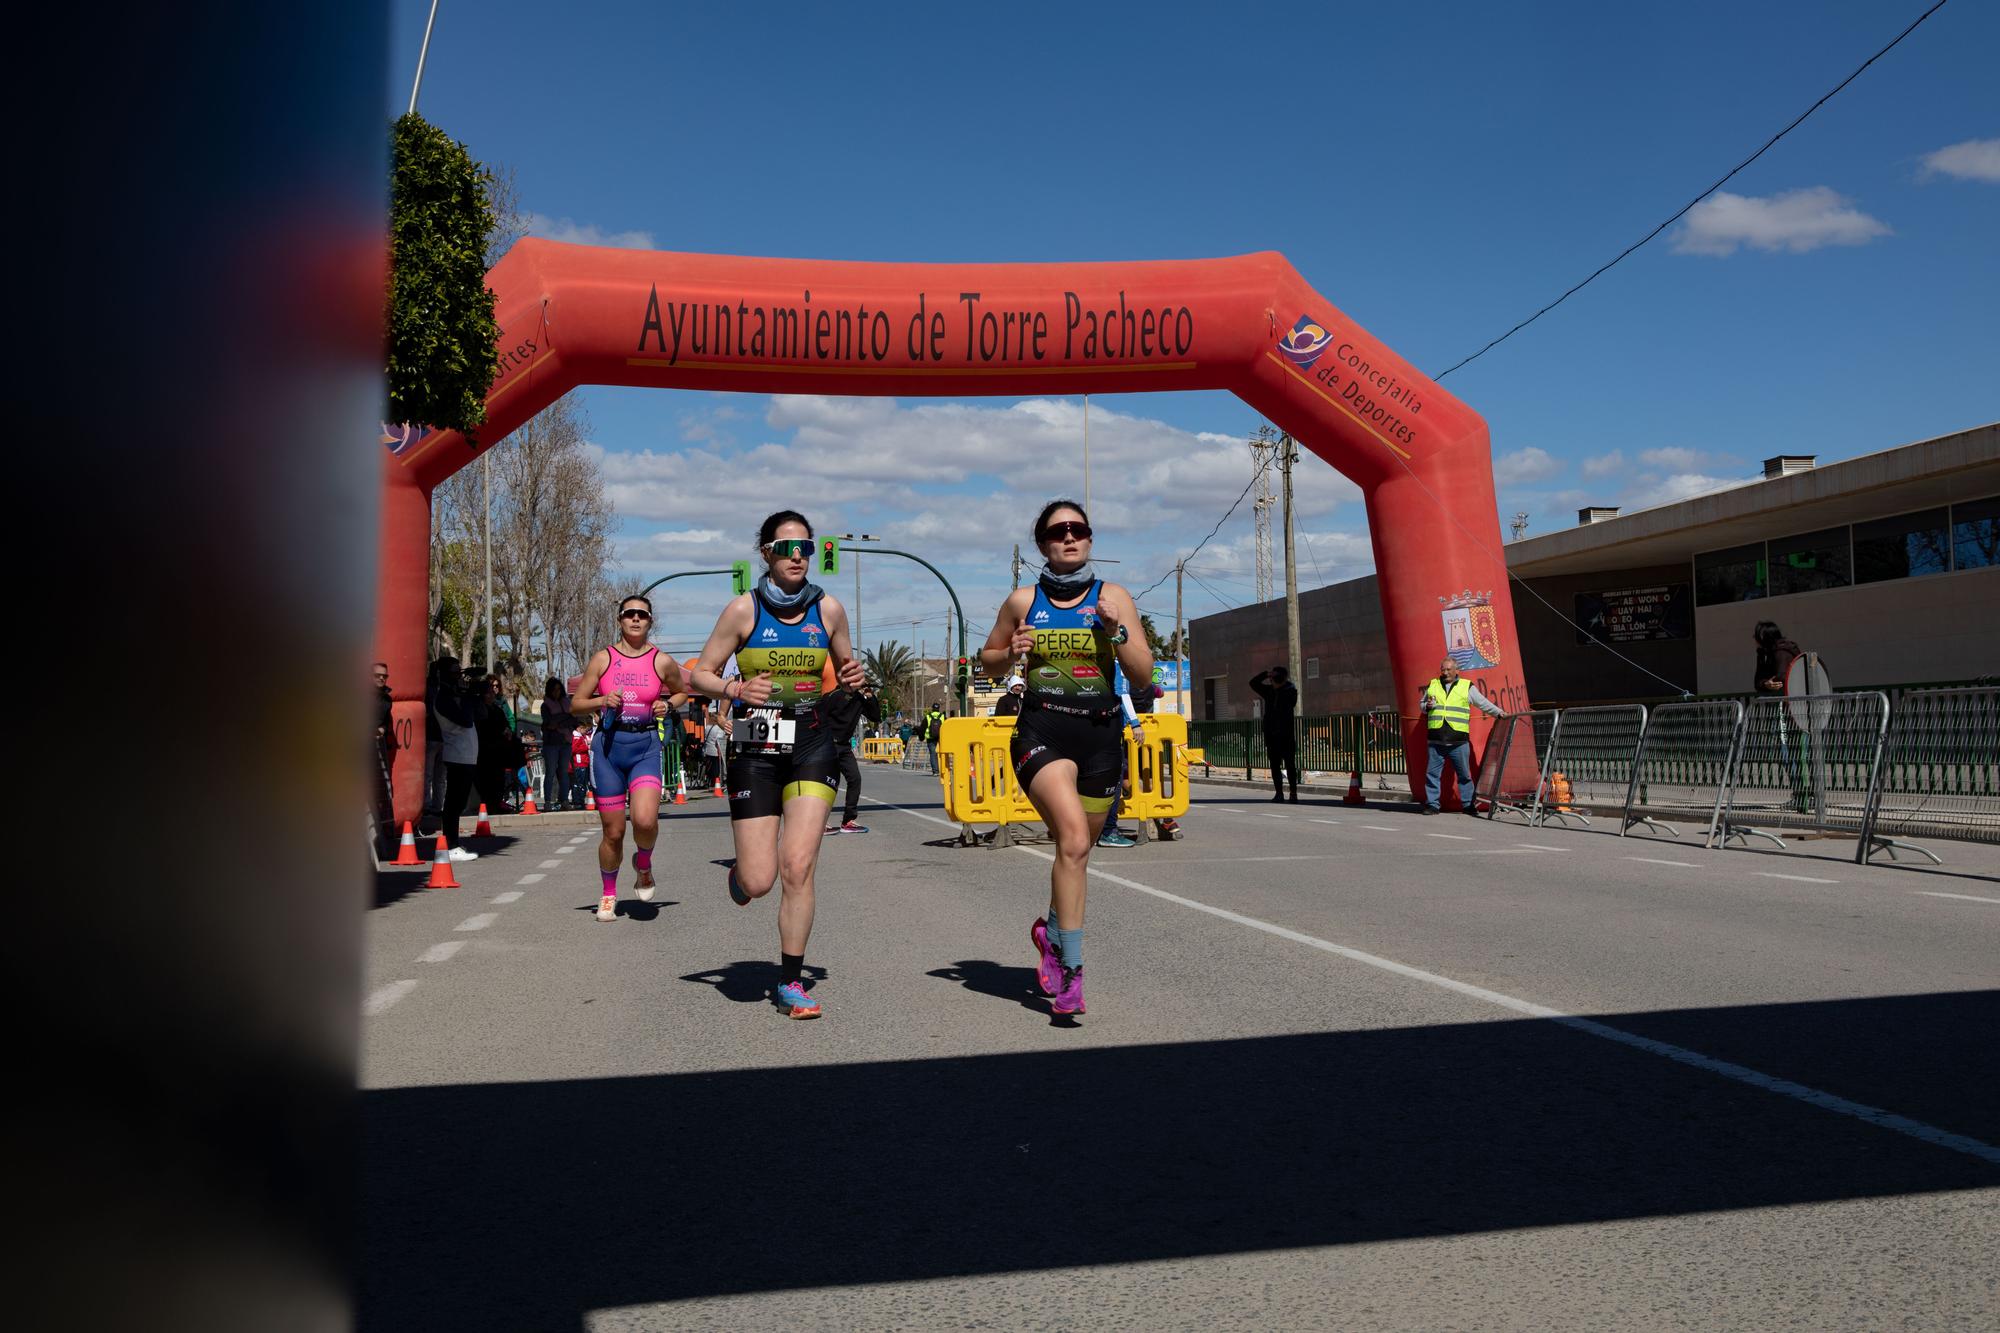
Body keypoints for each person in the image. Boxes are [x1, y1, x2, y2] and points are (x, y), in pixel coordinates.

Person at [686, 510, 866, 1019]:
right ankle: (742, 877)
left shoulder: (828, 610)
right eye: (785, 547)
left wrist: (851, 675)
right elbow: (698, 674)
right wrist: (734, 688)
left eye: (805, 547)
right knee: (761, 879)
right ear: (765, 552)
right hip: (755, 736)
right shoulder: (743, 611)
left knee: (799, 866)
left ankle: (791, 982)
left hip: (811, 738)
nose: (796, 556)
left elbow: (845, 672)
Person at [981, 499, 1153, 1018]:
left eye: (1079, 530)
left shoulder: (1113, 597)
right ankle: (1071, 973)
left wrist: (1116, 633)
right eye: (1058, 533)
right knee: (1073, 839)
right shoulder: (1022, 600)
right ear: (1043, 544)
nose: (1070, 538)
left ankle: (1050, 933)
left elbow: (1144, 675)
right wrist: (1011, 652)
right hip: (1042, 728)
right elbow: (987, 663)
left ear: (1090, 539)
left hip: (1100, 734)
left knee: (1078, 851)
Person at [570, 594, 685, 923]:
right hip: (608, 749)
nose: (636, 619)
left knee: (646, 820)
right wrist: (602, 700)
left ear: (650, 621)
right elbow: (576, 703)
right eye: (629, 614)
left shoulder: (660, 661)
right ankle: (608, 893)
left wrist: (669, 705)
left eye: (643, 615)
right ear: (620, 619)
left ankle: (644, 865)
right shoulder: (602, 659)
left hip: (645, 746)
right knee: (614, 833)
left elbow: (680, 691)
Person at [1418, 655, 1506, 815]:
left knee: (1464, 775)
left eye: (1448, 669)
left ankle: (1468, 805)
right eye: (1443, 669)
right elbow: (1423, 705)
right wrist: (1426, 706)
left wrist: (1498, 713)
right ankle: (1432, 805)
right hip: (1436, 740)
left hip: (1458, 741)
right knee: (1432, 775)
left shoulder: (1466, 686)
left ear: (1457, 670)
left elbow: (1482, 702)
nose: (1445, 672)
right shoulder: (1433, 684)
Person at [427, 656, 484, 861]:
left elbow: (480, 714)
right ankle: (450, 845)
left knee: (459, 802)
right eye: (454, 672)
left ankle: (453, 843)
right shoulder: (443, 697)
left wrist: (476, 694)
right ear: (443, 674)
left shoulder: (455, 695)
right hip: (457, 754)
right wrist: (468, 695)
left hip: (467, 754)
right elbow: (465, 721)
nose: (458, 676)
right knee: (453, 802)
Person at [823, 678, 881, 834]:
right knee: (829, 782)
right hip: (827, 744)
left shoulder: (860, 699)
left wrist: (870, 696)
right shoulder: (834, 695)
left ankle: (848, 821)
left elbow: (875, 716)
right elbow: (819, 715)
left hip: (844, 745)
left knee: (855, 778)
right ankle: (820, 822)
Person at [1248, 665, 1300, 803]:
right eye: (1272, 679)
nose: (1274, 682)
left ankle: (1293, 793)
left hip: (1286, 734)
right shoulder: (1269, 691)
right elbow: (1253, 683)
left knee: (1290, 765)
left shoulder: (1290, 692)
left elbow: (1291, 699)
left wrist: (1279, 679)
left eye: (1275, 679)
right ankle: (1279, 793)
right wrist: (1266, 673)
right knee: (1275, 765)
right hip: (1271, 734)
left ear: (1282, 679)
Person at [540, 678, 575, 810]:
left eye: (559, 689)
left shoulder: (567, 703)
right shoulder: (545, 706)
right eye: (554, 690)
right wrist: (563, 719)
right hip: (551, 744)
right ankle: (548, 801)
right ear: (549, 691)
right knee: (550, 772)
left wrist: (558, 722)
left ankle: (564, 800)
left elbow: (573, 719)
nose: (557, 692)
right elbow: (549, 722)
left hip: (566, 742)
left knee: (564, 772)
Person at [1753, 621, 1800, 695]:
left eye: (1756, 637)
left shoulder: (1781, 653)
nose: (1755, 640)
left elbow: (1780, 680)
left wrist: (1766, 684)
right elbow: (1757, 683)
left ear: (1764, 638)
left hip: (1788, 700)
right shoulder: (1768, 653)